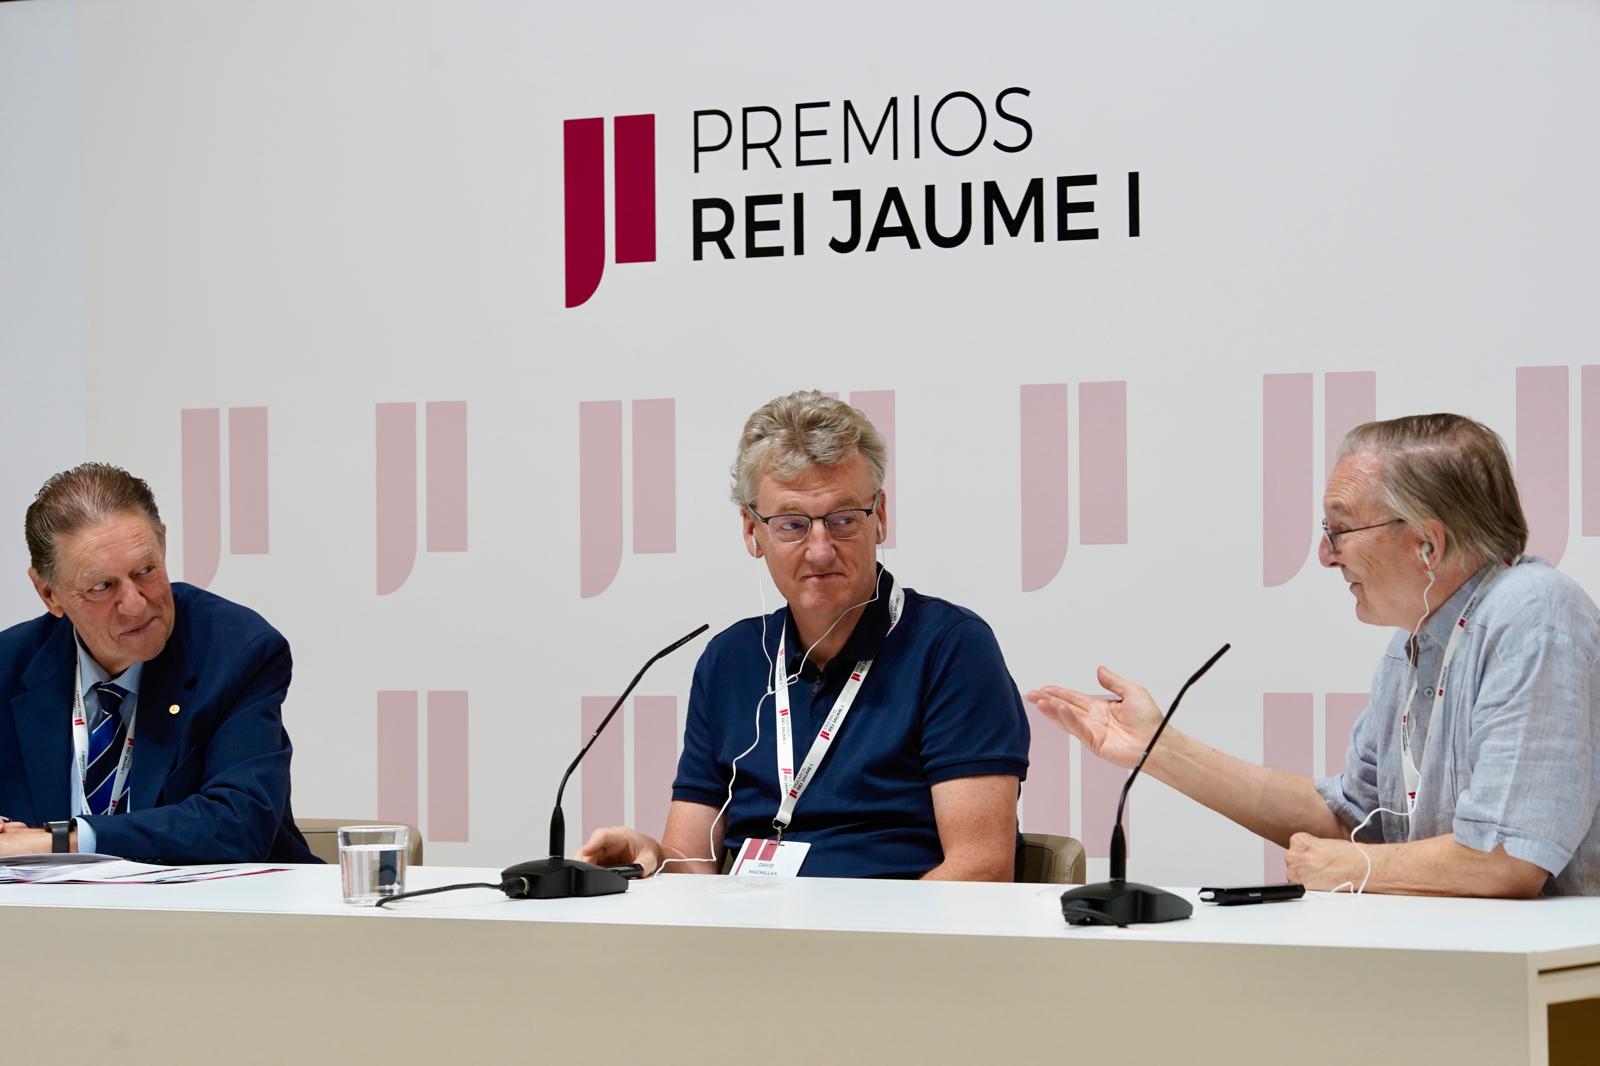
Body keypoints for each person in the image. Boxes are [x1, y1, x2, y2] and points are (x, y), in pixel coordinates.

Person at [1031, 414, 1600, 897]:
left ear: (1429, 543)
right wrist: (1158, 749)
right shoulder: (1419, 644)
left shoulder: (1534, 613)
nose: (1327, 556)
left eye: (1342, 529)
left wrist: (1361, 868)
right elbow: (1349, 820)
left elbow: (1506, 858)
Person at [579, 390, 1030, 879]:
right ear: (752, 532)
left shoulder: (951, 647)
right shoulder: (730, 659)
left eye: (843, 520)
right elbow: (694, 863)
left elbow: (980, 869)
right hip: (748, 944)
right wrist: (650, 853)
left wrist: (845, 951)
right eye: (792, 524)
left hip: (894, 943)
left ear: (879, 518)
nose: (820, 550)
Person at [0, 463, 315, 864]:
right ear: (49, 593)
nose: (135, 604)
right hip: (48, 920)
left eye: (145, 570)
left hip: (215, 917)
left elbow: (238, 824)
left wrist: (61, 841)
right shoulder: (9, 667)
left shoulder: (235, 651)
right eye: (102, 586)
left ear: (162, 543)